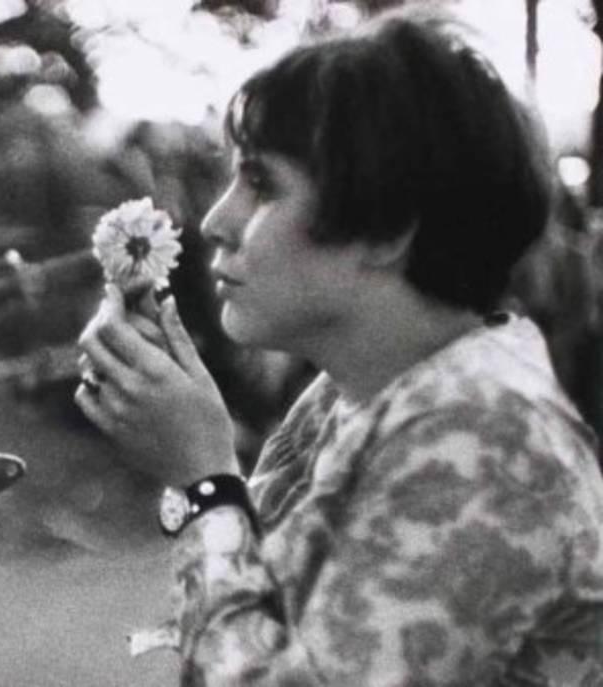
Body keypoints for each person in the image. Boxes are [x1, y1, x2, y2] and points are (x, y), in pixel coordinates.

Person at [75, 9, 603, 684]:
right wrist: (195, 456)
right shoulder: (356, 393)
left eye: (262, 184)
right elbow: (257, 613)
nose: (215, 221)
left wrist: (201, 476)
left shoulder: (487, 434)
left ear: (387, 228)